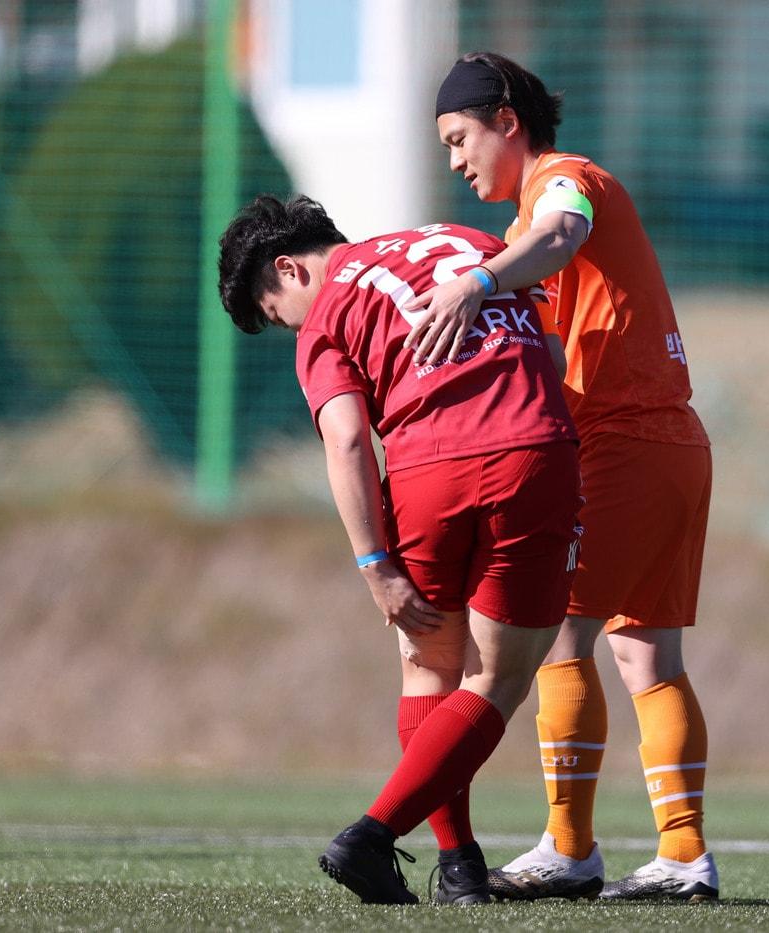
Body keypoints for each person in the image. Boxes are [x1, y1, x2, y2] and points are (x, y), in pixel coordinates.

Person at [402, 51, 717, 902]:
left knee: (556, 634)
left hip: (626, 439)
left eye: (460, 138)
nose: (456, 160)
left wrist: (478, 278)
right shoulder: (522, 239)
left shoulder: (563, 184)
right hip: (670, 443)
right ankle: (683, 857)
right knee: (644, 650)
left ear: (508, 119)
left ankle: (570, 848)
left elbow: (564, 229)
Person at [217, 193, 582, 905]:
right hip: (528, 446)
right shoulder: (464, 238)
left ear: (289, 269)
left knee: (428, 669)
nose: (284, 323)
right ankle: (378, 835)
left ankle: (458, 865)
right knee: (497, 681)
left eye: (271, 311)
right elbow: (552, 342)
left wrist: (373, 564)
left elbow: (349, 438)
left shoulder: (325, 315)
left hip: (424, 471)